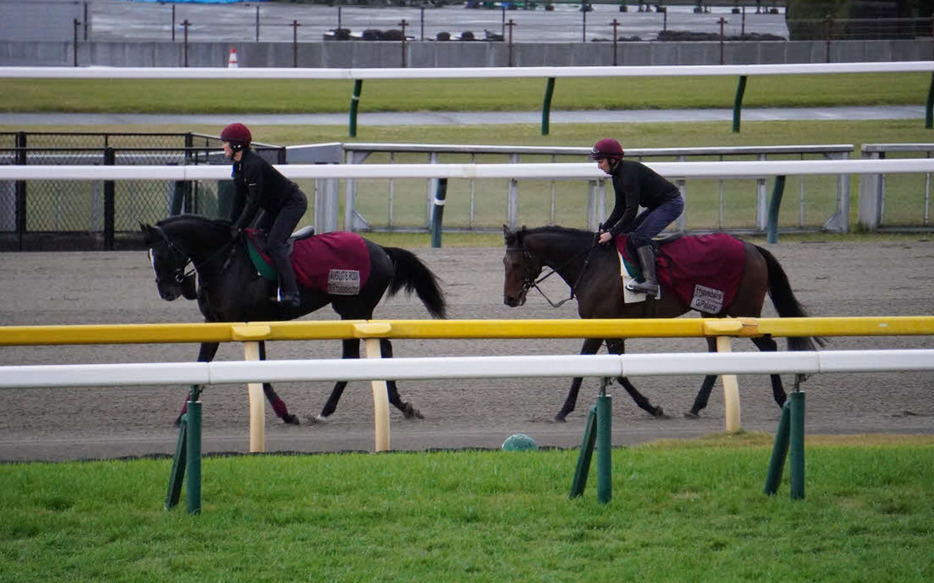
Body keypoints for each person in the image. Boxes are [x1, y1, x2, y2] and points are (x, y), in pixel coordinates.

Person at [221, 122, 308, 308]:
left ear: (236, 145)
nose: (223, 146)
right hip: (275, 206)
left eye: (225, 143)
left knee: (275, 244)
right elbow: (238, 200)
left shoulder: (253, 166)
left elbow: (254, 203)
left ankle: (292, 293)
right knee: (256, 236)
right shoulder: (239, 166)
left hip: (292, 204)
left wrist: (240, 226)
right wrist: (231, 224)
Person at [589, 138, 684, 298]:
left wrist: (611, 233)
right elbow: (620, 207)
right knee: (626, 233)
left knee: (639, 237)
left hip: (671, 203)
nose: (599, 166)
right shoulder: (617, 175)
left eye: (601, 161)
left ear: (612, 160)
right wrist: (606, 227)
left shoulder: (628, 174)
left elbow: (631, 211)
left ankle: (651, 282)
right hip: (657, 206)